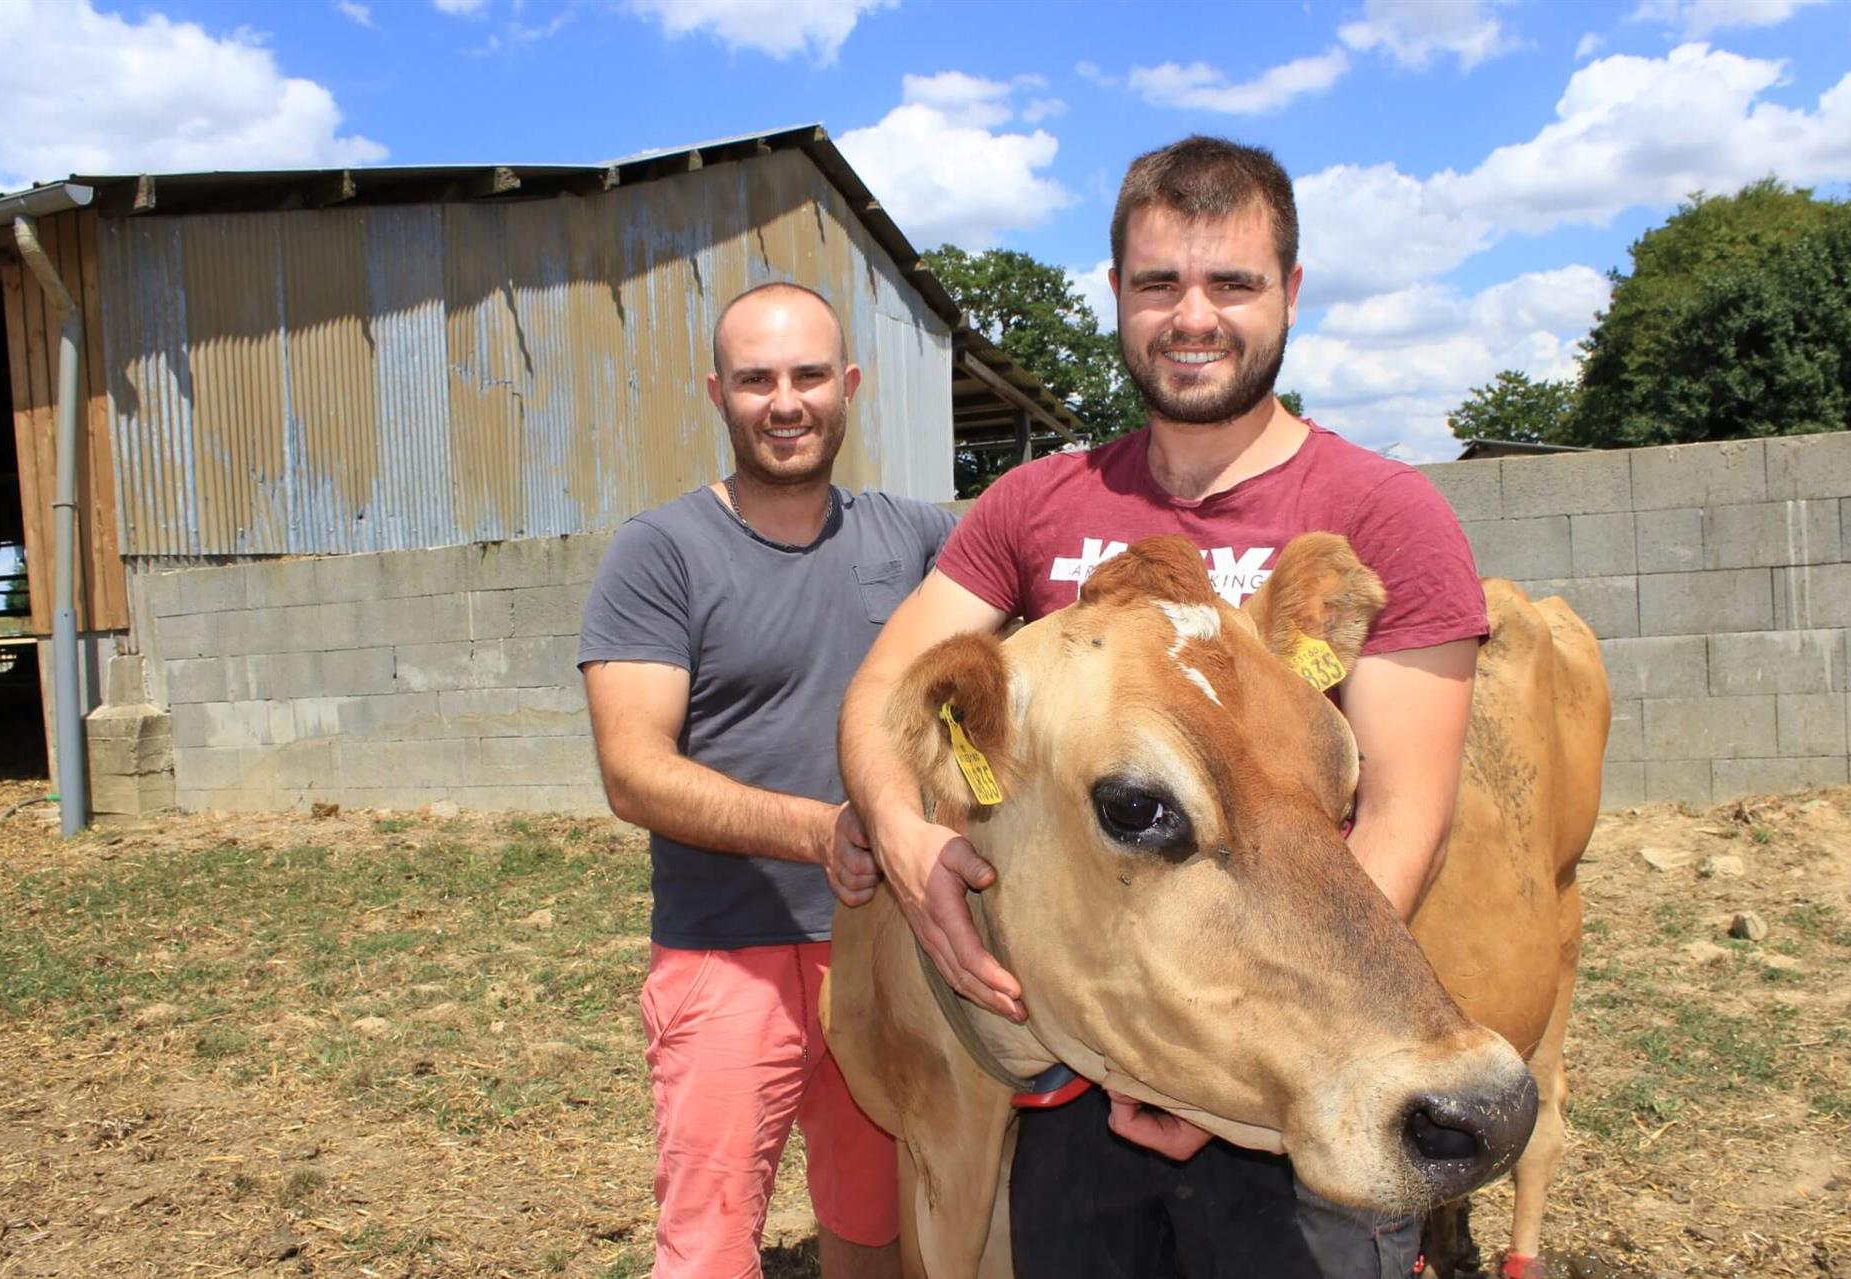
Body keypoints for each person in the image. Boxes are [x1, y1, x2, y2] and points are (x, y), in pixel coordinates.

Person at [833, 137, 1489, 1279]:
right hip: (1086, 1077)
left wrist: (1229, 1068)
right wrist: (908, 844)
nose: (1195, 317)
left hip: (1307, 1069)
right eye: (1160, 284)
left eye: (1232, 283)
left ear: (1290, 291)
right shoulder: (1035, 505)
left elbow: (1398, 821)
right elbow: (889, 691)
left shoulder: (1387, 513)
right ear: (1119, 298)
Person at [579, 281, 952, 1279]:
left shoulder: (917, 540)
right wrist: (820, 830)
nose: (785, 402)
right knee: (709, 1241)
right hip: (728, 953)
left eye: (808, 375)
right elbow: (634, 771)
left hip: (881, 948)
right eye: (756, 380)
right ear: (717, 393)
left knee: (878, 1226)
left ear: (851, 386)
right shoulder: (660, 554)